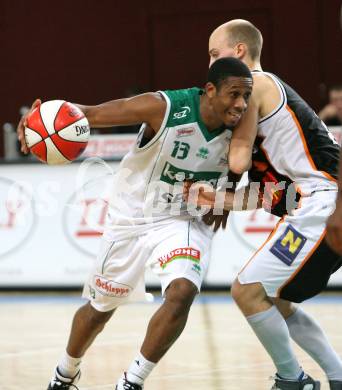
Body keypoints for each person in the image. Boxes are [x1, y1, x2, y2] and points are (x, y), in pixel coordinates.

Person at [17, 57, 253, 390]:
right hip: (132, 214)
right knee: (100, 308)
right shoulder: (164, 107)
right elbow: (91, 114)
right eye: (234, 95)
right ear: (210, 90)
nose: (241, 104)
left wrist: (227, 192)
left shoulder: (245, 125)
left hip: (182, 218)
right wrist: (35, 124)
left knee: (182, 291)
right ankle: (65, 372)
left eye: (246, 97)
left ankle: (132, 381)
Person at [187, 19, 342, 390]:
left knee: (247, 290)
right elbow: (266, 194)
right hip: (313, 201)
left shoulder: (256, 85)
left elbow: (238, 160)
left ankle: (293, 380)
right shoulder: (269, 118)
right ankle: (336, 377)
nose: (210, 63)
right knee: (276, 299)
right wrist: (220, 198)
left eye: (214, 53)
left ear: (239, 51)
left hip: (323, 203)